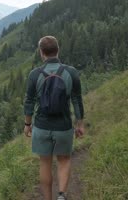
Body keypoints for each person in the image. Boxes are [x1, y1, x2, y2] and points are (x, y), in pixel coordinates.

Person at [23, 36, 85, 200]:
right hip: (63, 126)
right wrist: (79, 124)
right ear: (58, 50)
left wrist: (27, 124)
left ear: (41, 53)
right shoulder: (70, 72)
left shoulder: (34, 74)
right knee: (64, 160)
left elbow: (29, 101)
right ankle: (62, 196)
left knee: (45, 162)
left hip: (42, 126)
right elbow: (77, 100)